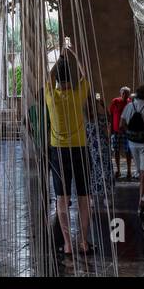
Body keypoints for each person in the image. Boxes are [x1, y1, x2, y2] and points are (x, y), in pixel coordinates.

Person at [45, 46, 93, 258]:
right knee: (83, 197)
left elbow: (47, 74)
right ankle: (83, 241)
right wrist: (73, 53)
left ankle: (67, 244)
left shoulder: (51, 96)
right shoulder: (78, 95)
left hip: (59, 151)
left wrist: (55, 56)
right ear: (70, 79)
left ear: (56, 80)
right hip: (80, 149)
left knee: (61, 199)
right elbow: (86, 74)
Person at [108, 87, 133, 180]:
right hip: (116, 131)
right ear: (120, 93)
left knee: (128, 151)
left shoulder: (130, 102)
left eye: (127, 93)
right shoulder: (115, 101)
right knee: (116, 151)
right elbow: (110, 115)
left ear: (129, 94)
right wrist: (111, 129)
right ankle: (118, 170)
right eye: (123, 93)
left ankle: (129, 171)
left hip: (127, 131)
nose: (125, 95)